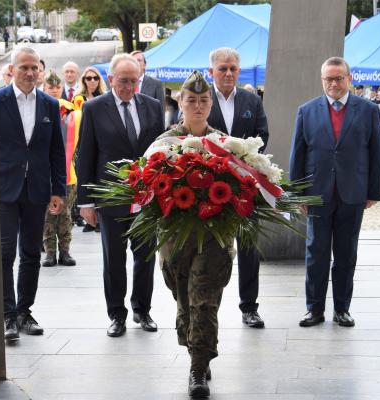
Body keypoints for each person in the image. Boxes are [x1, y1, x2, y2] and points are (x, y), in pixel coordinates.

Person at [289, 56, 380, 328]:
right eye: (328, 79)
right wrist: (298, 194)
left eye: (338, 78)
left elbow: (377, 154)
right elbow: (298, 154)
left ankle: (342, 309)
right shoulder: (306, 111)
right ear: (322, 80)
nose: (333, 83)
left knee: (346, 254)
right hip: (317, 194)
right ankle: (314, 309)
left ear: (349, 78)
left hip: (352, 194)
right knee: (316, 253)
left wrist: (373, 192)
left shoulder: (368, 110)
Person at [76, 53, 164, 337]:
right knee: (114, 259)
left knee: (145, 257)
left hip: (146, 199)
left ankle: (143, 309)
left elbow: (160, 152)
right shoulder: (94, 109)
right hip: (111, 198)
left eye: (134, 81)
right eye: (123, 81)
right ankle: (117, 314)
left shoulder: (152, 107)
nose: (129, 87)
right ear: (111, 79)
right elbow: (85, 156)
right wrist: (86, 202)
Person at [157, 71, 233, 399]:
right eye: (191, 100)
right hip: (176, 238)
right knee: (184, 298)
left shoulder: (226, 145)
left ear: (211, 104)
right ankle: (195, 348)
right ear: (180, 103)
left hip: (214, 237)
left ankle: (198, 368)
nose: (198, 106)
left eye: (203, 101)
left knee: (204, 299)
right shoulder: (164, 143)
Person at [0, 47, 66, 340]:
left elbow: (56, 151)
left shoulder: (49, 104)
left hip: (37, 189)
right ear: (12, 70)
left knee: (31, 253)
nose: (30, 73)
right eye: (24, 67)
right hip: (4, 188)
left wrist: (58, 189)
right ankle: (7, 315)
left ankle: (24, 311)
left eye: (34, 68)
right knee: (5, 252)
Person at [207, 47, 269, 329]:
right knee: (212, 246)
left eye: (233, 68)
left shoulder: (251, 100)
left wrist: (243, 157)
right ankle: (208, 304)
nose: (229, 73)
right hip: (209, 185)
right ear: (212, 72)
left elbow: (262, 135)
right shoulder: (202, 98)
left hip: (245, 184)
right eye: (223, 68)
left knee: (248, 246)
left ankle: (249, 307)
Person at [40, 71, 76, 267]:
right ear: (44, 88)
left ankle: (65, 252)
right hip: (44, 173)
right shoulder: (40, 109)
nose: (54, 90)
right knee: (47, 216)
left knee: (65, 214)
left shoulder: (72, 112)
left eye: (57, 87)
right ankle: (49, 253)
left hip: (68, 172)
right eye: (50, 87)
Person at [74, 66, 108, 233]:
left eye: (95, 78)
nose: (92, 81)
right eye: (88, 78)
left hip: (100, 141)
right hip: (81, 140)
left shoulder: (104, 98)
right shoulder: (77, 98)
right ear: (84, 80)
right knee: (85, 175)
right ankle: (89, 217)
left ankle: (100, 219)